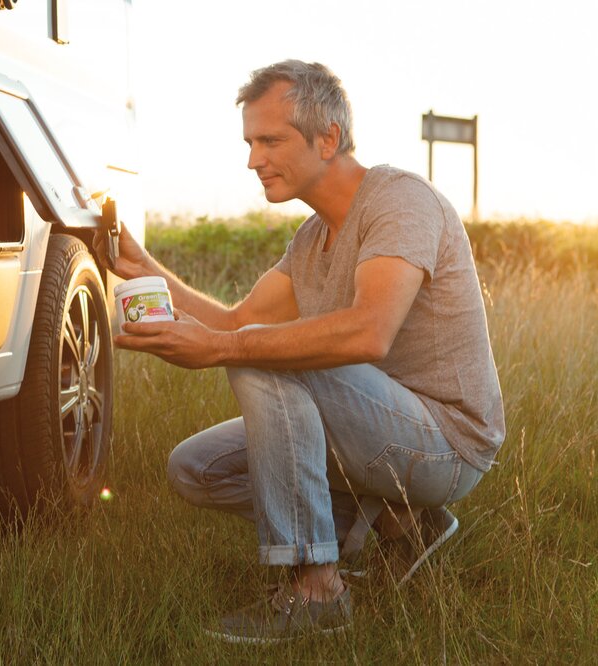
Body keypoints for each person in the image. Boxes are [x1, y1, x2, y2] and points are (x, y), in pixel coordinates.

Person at [95, 60, 504, 644]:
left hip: (447, 443)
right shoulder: (312, 240)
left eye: (270, 140)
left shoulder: (400, 202)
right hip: (379, 435)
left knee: (257, 351)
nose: (253, 159)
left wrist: (223, 347)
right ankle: (399, 522)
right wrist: (145, 271)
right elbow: (236, 322)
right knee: (196, 469)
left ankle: (317, 589)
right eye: (250, 142)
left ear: (328, 138)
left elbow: (369, 332)